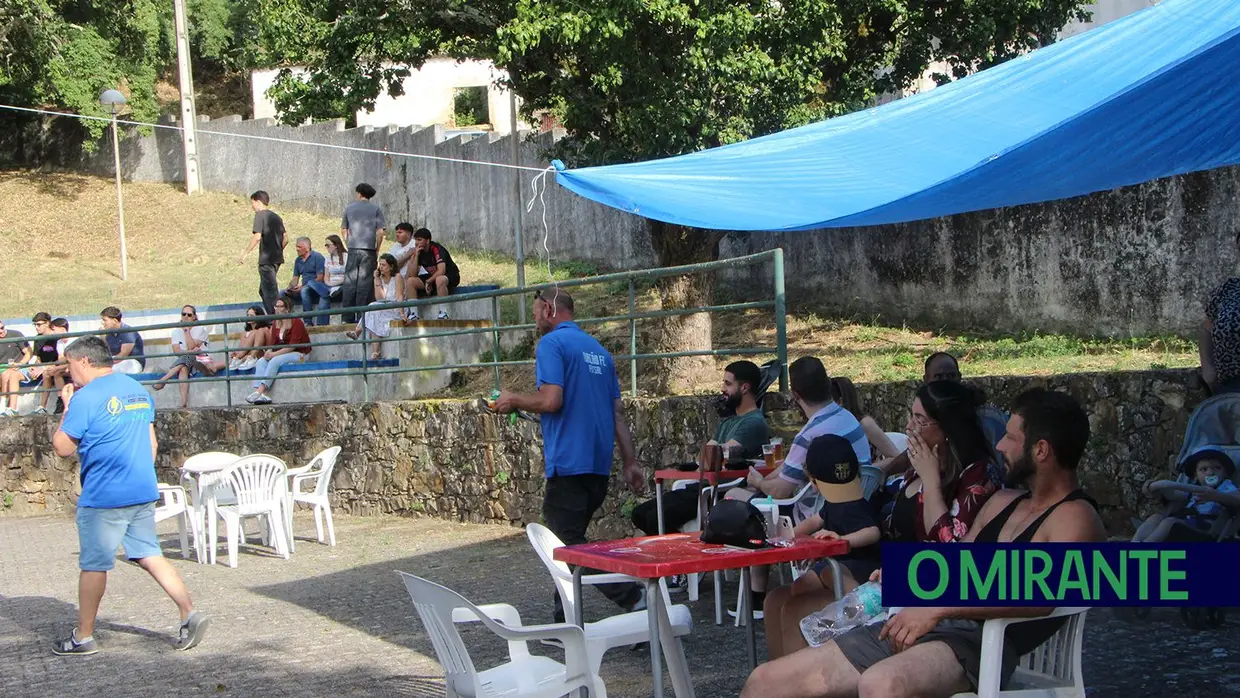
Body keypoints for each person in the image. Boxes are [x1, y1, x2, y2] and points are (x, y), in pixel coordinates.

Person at [740, 388, 1106, 698]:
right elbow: (955, 565)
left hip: (981, 643)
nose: (999, 444)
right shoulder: (1003, 502)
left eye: (1011, 437)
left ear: (1041, 450)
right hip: (925, 622)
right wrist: (907, 577)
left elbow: (1045, 592)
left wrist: (939, 608)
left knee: (881, 684)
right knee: (764, 682)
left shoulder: (1074, 516)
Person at [763, 380, 999, 659]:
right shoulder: (916, 464)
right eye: (911, 416)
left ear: (948, 428)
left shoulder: (977, 477)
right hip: (883, 568)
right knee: (776, 598)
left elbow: (950, 553)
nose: (910, 426)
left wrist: (932, 482)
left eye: (920, 420)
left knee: (797, 609)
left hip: (918, 583)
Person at [50, 335, 210, 656]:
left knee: (94, 565)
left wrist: (67, 407)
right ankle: (189, 612)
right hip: (141, 488)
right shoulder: (137, 390)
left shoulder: (85, 398)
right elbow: (151, 444)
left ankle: (83, 636)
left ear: (84, 361)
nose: (69, 374)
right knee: (150, 553)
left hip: (104, 494)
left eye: (69, 365)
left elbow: (62, 447)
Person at [494, 289, 645, 622]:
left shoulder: (552, 345)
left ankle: (634, 598)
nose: (534, 320)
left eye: (535, 312)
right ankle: (564, 622)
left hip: (569, 465)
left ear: (549, 308)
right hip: (597, 467)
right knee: (567, 540)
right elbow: (617, 413)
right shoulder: (600, 353)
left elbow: (551, 400)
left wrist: (514, 399)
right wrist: (631, 462)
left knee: (566, 546)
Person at [725, 356, 871, 616]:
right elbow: (788, 472)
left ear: (795, 395)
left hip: (820, 509)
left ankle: (756, 596)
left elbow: (781, 491)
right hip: (854, 502)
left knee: (746, 504)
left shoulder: (811, 434)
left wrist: (758, 481)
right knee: (755, 499)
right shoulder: (847, 417)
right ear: (827, 385)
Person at [629, 360, 771, 537]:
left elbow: (716, 455)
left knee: (657, 518)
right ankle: (677, 553)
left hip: (721, 490)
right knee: (639, 513)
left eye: (728, 384)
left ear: (744, 388)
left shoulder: (754, 423)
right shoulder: (727, 421)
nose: (722, 389)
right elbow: (706, 457)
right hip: (702, 486)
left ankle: (679, 556)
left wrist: (711, 453)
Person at [1134, 448, 1240, 541]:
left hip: (1208, 528)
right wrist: (1158, 488)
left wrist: (1216, 496)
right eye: (1204, 469)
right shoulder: (1192, 489)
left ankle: (1145, 548)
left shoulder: (1226, 488)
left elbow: (1236, 499)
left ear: (1225, 473)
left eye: (1217, 468)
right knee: (1156, 518)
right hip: (1188, 522)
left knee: (1170, 523)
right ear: (1195, 475)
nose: (1210, 473)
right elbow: (1174, 495)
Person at [246, 295, 311, 405]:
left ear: (287, 309)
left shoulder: (296, 322)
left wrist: (274, 354)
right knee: (261, 361)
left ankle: (260, 390)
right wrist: (269, 352)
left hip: (300, 354)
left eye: (280, 306)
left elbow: (292, 346)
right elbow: (273, 343)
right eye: (276, 306)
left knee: (275, 360)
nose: (277, 309)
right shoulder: (276, 323)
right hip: (281, 353)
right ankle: (259, 393)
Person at [152, 306, 220, 409]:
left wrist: (186, 331)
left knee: (189, 356)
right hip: (187, 360)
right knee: (184, 366)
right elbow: (176, 351)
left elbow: (191, 346)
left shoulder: (201, 329)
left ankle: (164, 379)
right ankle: (183, 403)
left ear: (194, 317)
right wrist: (190, 351)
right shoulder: (175, 332)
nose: (186, 317)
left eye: (189, 315)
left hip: (203, 359)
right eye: (183, 314)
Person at [340, 183, 387, 324]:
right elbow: (380, 232)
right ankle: (362, 318)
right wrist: (377, 248)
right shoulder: (376, 209)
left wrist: (349, 243)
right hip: (369, 250)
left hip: (353, 249)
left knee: (350, 282)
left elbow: (344, 229)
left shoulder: (349, 208)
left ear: (359, 193)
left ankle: (346, 318)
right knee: (365, 284)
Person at [345, 253, 405, 360]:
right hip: (383, 307)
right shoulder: (379, 278)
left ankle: (358, 331)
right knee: (373, 312)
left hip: (396, 307)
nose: (381, 267)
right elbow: (379, 298)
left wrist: (401, 313)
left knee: (372, 308)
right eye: (380, 265)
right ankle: (375, 352)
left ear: (391, 266)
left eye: (384, 265)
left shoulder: (397, 277)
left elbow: (399, 296)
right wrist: (376, 280)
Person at [238, 190, 287, 315]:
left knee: (270, 292)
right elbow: (286, 239)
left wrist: (246, 253)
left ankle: (276, 319)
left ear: (258, 202)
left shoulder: (260, 215)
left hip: (266, 260)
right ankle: (274, 317)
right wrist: (277, 250)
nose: (252, 206)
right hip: (277, 259)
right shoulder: (277, 217)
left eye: (253, 203)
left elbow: (257, 237)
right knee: (263, 290)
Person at [411, 228, 460, 315]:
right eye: (416, 240)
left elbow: (441, 271)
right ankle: (413, 314)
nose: (416, 243)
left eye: (419, 240)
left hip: (450, 276)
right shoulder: (419, 252)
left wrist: (428, 281)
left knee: (439, 279)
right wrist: (416, 256)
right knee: (410, 281)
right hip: (433, 277)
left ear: (427, 240)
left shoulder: (436, 248)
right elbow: (413, 274)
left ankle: (443, 313)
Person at [286, 237, 332, 326]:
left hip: (316, 287)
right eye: (296, 247)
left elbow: (320, 278)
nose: (297, 249)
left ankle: (308, 321)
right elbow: (295, 277)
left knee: (304, 290)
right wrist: (290, 286)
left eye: (299, 247)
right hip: (303, 287)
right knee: (281, 293)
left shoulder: (317, 257)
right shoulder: (298, 260)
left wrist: (303, 287)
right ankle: (284, 322)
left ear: (307, 248)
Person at [0, 317, 35, 416]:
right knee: (5, 373)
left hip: (18, 366)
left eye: (2, 328)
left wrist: (20, 364)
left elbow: (29, 353)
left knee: (7, 374)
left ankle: (6, 406)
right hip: (3, 367)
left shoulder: (16, 335)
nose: (1, 331)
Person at [40, 317, 72, 415]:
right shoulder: (59, 342)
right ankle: (46, 405)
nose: (52, 333)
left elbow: (71, 360)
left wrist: (56, 367)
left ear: (62, 329)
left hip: (74, 366)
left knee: (56, 371)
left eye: (54, 330)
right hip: (66, 366)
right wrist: (54, 367)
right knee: (50, 373)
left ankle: (61, 401)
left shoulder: (73, 340)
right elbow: (61, 358)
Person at [99, 307, 145, 375]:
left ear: (114, 321)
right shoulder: (110, 333)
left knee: (106, 371)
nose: (102, 323)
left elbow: (123, 355)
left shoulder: (127, 332)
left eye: (105, 320)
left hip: (133, 362)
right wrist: (103, 337)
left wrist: (105, 364)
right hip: (118, 362)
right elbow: (108, 351)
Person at [228, 306, 271, 371]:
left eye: (251, 315)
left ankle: (240, 358)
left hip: (262, 355)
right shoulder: (245, 332)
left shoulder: (264, 330)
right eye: (248, 315)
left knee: (255, 332)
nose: (249, 317)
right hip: (247, 356)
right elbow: (243, 348)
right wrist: (237, 354)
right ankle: (238, 358)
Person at [324, 234, 349, 301]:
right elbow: (326, 276)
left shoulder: (346, 256)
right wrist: (329, 284)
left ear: (336, 245)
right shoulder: (327, 258)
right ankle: (328, 293)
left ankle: (329, 293)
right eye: (325, 245)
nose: (326, 247)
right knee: (311, 283)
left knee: (324, 296)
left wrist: (334, 284)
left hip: (342, 285)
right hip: (329, 285)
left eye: (328, 245)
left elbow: (348, 275)